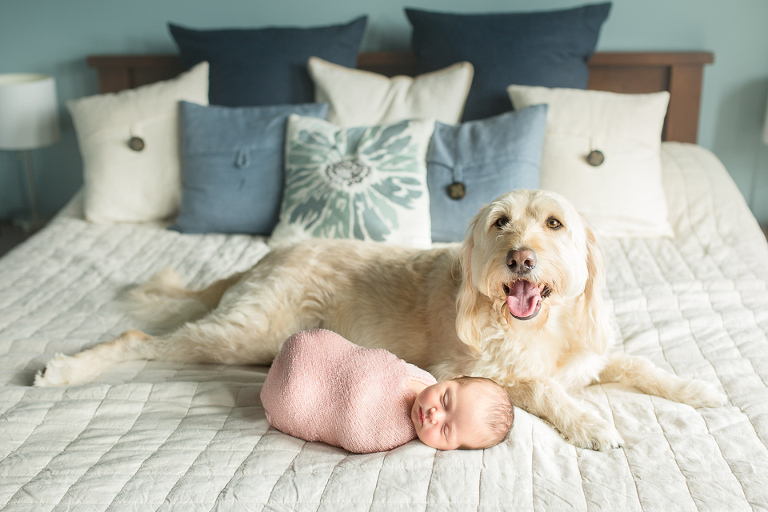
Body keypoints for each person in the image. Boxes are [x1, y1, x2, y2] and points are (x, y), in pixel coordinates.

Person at [260, 329, 514, 453]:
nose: (435, 415)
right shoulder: (423, 378)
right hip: (319, 355)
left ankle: (287, 395)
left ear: (453, 449)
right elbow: (373, 362)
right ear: (453, 379)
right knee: (316, 348)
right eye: (446, 399)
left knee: (293, 400)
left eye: (446, 429)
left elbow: (354, 432)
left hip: (297, 400)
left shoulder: (395, 438)